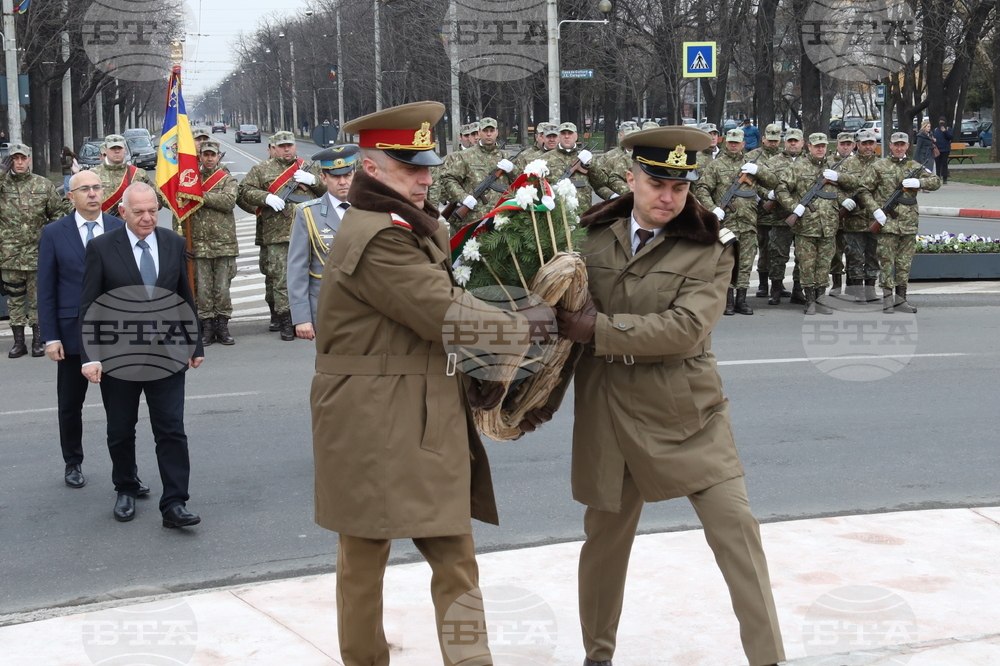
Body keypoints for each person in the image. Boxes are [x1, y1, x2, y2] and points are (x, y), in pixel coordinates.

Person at [310, 101, 554, 666]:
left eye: (427, 166)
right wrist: (526, 323)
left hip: (417, 412)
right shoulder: (378, 237)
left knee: (453, 557)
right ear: (371, 168)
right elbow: (444, 313)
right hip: (371, 421)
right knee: (365, 560)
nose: (425, 178)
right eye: (410, 167)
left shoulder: (402, 226)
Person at [546, 125, 784, 666]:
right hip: (607, 415)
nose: (668, 197)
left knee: (737, 534)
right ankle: (598, 655)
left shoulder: (710, 246)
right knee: (603, 544)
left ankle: (769, 658)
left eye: (680, 187)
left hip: (686, 414)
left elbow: (685, 329)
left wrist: (596, 330)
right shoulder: (589, 236)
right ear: (631, 178)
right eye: (656, 183)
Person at [79, 182, 204, 527]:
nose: (148, 218)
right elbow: (88, 305)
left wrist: (195, 345)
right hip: (118, 358)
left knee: (171, 429)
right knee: (121, 429)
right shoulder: (102, 248)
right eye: (139, 212)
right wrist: (90, 356)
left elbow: (184, 297)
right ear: (122, 212)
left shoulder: (173, 243)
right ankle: (126, 487)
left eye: (153, 211)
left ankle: (175, 503)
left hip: (167, 355)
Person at [37, 170, 141, 492]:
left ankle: (127, 472)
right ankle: (73, 461)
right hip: (70, 334)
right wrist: (50, 336)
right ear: (71, 196)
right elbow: (47, 288)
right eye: (85, 189)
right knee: (70, 405)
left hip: (115, 334)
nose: (93, 194)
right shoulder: (55, 233)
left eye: (97, 188)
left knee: (121, 410)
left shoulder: (120, 227)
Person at [236, 131, 325, 340]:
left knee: (310, 276)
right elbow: (243, 192)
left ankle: (308, 316)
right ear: (273, 148)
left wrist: (314, 181)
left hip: (309, 232)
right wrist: (266, 197)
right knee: (281, 279)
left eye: (290, 145)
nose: (287, 149)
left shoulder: (308, 167)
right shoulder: (261, 169)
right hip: (277, 234)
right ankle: (286, 320)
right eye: (282, 146)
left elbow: (332, 191)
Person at [0, 144, 73, 357]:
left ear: (29, 159)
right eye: (15, 159)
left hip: (37, 252)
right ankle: (18, 342)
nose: (19, 162)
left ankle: (37, 340)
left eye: (23, 158)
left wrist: (48, 237)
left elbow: (57, 213)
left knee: (37, 298)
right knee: (14, 299)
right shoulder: (3, 185)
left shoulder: (42, 185)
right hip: (9, 253)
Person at [774, 133, 858, 314]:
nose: (820, 149)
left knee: (824, 265)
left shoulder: (834, 166)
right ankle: (809, 300)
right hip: (806, 226)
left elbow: (854, 183)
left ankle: (821, 300)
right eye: (816, 146)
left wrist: (838, 176)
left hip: (829, 226)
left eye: (823, 146)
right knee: (806, 265)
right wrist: (793, 207)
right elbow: (781, 189)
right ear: (809, 147)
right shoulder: (798, 167)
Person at [858, 132, 941, 313]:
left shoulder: (914, 166)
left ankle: (901, 299)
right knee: (887, 262)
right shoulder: (879, 166)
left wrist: (919, 182)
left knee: (904, 263)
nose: (899, 148)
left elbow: (936, 181)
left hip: (909, 222)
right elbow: (863, 190)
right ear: (890, 145)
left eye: (902, 144)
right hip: (887, 222)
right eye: (896, 144)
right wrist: (876, 209)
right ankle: (887, 299)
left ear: (908, 146)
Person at [287, 144, 358, 339]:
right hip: (327, 308)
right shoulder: (308, 213)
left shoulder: (371, 210)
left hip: (367, 308)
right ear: (324, 179)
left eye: (347, 175)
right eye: (336, 177)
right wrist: (301, 317)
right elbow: (297, 268)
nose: (343, 182)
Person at [696, 127, 759, 315]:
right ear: (726, 143)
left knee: (746, 263)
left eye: (737, 142)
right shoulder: (716, 165)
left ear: (743, 144)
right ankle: (728, 301)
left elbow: (772, 183)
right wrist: (713, 208)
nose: (733, 145)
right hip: (727, 223)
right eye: (730, 142)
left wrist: (759, 171)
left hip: (748, 221)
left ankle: (742, 300)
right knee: (726, 262)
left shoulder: (750, 164)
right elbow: (702, 188)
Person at [187, 140, 239, 346]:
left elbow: (228, 201)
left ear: (218, 157)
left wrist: (198, 195)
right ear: (200, 156)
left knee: (222, 289)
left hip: (224, 243)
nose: (209, 158)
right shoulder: (190, 179)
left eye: (213, 155)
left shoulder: (227, 179)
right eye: (205, 154)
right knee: (204, 290)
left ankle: (223, 325)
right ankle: (207, 326)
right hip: (199, 243)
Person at [755, 128, 806, 305]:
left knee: (802, 256)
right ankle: (775, 289)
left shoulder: (809, 162)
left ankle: (798, 290)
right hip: (779, 217)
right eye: (790, 140)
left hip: (805, 218)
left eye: (796, 141)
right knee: (777, 255)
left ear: (802, 143)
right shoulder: (773, 161)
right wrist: (768, 194)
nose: (793, 144)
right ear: (785, 142)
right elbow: (757, 184)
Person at [439, 117, 514, 228]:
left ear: (497, 132)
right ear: (479, 132)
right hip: (473, 220)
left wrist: (513, 170)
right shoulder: (465, 156)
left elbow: (520, 183)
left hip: (501, 218)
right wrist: (463, 197)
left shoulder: (507, 156)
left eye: (492, 131)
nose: (489, 134)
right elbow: (448, 178)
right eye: (485, 131)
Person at [837, 129, 882, 302]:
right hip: (853, 218)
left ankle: (870, 290)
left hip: (874, 218)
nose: (868, 147)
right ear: (857, 145)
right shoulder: (846, 164)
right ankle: (857, 291)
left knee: (873, 255)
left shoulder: (881, 165)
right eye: (864, 143)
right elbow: (835, 188)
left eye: (871, 143)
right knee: (854, 256)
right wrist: (843, 200)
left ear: (876, 145)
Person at [746, 124, 785, 298]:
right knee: (764, 249)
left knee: (779, 251)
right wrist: (761, 196)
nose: (773, 143)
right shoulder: (752, 157)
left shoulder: (784, 157)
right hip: (761, 211)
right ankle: (762, 284)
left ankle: (779, 284)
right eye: (770, 140)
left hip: (781, 212)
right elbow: (749, 182)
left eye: (776, 141)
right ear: (763, 139)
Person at [91, 135, 160, 212]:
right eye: (112, 148)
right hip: (103, 222)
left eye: (120, 148)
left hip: (131, 223)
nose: (117, 151)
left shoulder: (139, 174)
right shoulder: (92, 174)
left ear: (125, 149)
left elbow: (157, 200)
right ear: (105, 150)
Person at [828, 132, 857, 296]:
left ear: (853, 145)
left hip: (856, 215)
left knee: (854, 252)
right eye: (842, 144)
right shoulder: (829, 162)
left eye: (848, 144)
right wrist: (841, 199)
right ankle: (836, 284)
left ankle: (852, 285)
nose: (845, 147)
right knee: (836, 253)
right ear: (837, 145)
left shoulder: (858, 162)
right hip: (836, 213)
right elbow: (827, 187)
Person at [592, 121, 639, 201]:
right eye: (629, 136)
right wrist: (612, 196)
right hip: (617, 204)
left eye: (636, 136)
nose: (633, 140)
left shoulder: (648, 155)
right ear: (621, 135)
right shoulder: (609, 157)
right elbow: (599, 184)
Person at [932, 117, 953, 184]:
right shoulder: (936, 130)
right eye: (940, 122)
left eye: (943, 122)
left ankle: (945, 178)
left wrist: (945, 131)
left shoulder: (948, 129)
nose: (941, 124)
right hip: (937, 149)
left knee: (944, 164)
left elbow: (950, 137)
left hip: (945, 149)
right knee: (937, 164)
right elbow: (933, 137)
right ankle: (938, 177)